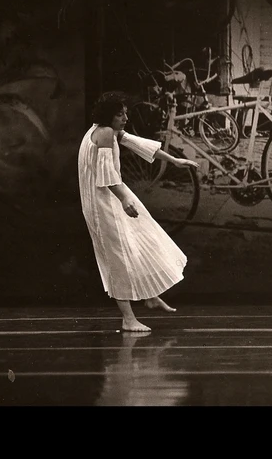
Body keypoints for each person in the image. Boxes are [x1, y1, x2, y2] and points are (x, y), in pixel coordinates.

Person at [78, 91, 199, 332]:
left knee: (142, 238)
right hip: (103, 201)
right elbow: (107, 175)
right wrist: (124, 200)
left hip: (112, 196)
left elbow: (138, 144)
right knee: (117, 257)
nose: (125, 117)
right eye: (120, 114)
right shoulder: (102, 133)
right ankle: (128, 319)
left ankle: (150, 295)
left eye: (125, 113)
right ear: (108, 116)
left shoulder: (109, 131)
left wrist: (174, 161)